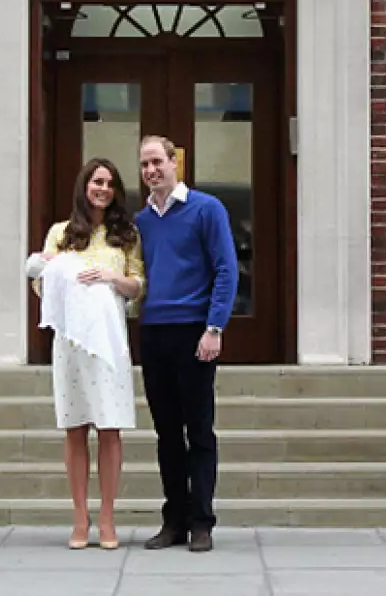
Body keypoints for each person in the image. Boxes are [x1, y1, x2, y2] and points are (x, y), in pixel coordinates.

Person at [25, 157, 145, 551]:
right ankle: (80, 518)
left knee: (109, 429)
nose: (103, 189)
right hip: (72, 344)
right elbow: (40, 285)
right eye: (97, 182)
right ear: (85, 186)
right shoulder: (61, 233)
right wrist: (56, 269)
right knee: (75, 428)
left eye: (110, 183)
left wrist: (111, 277)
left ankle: (107, 518)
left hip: (109, 343)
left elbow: (138, 286)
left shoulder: (125, 234)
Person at [135, 135, 238, 554]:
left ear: (174, 162)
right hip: (153, 332)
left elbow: (226, 270)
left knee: (199, 430)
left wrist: (214, 328)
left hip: (194, 331)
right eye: (144, 165)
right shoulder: (142, 219)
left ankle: (202, 521)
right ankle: (173, 520)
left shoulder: (206, 209)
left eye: (157, 161)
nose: (151, 171)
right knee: (165, 433)